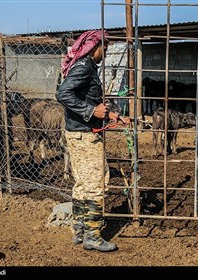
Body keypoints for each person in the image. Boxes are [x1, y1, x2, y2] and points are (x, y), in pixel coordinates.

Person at [56, 30, 129, 252]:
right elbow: (63, 93)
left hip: (77, 131)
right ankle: (93, 235)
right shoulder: (84, 66)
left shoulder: (84, 66)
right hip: (84, 135)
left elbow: (84, 97)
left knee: (82, 184)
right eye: (104, 48)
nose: (105, 53)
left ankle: (78, 228)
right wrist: (91, 111)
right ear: (94, 46)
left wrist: (108, 114)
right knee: (97, 184)